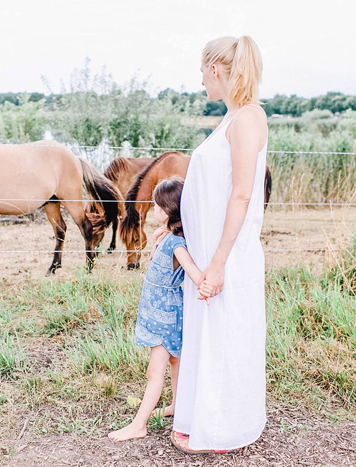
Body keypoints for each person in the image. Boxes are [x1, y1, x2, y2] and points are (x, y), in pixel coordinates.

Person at [171, 35, 269, 454]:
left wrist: (218, 261)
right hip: (210, 249)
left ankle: (224, 428)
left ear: (215, 69)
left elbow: (243, 195)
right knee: (211, 333)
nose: (201, 83)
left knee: (227, 333)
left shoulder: (247, 118)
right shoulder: (231, 120)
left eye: (202, 73)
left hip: (226, 252)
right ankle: (203, 417)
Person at [108, 178, 213, 442]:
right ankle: (178, 407)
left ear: (166, 210)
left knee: (155, 372)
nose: (152, 209)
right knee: (175, 362)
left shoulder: (176, 244)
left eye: (156, 205)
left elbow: (192, 271)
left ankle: (138, 425)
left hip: (164, 316)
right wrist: (160, 233)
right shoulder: (168, 237)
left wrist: (206, 284)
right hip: (161, 311)